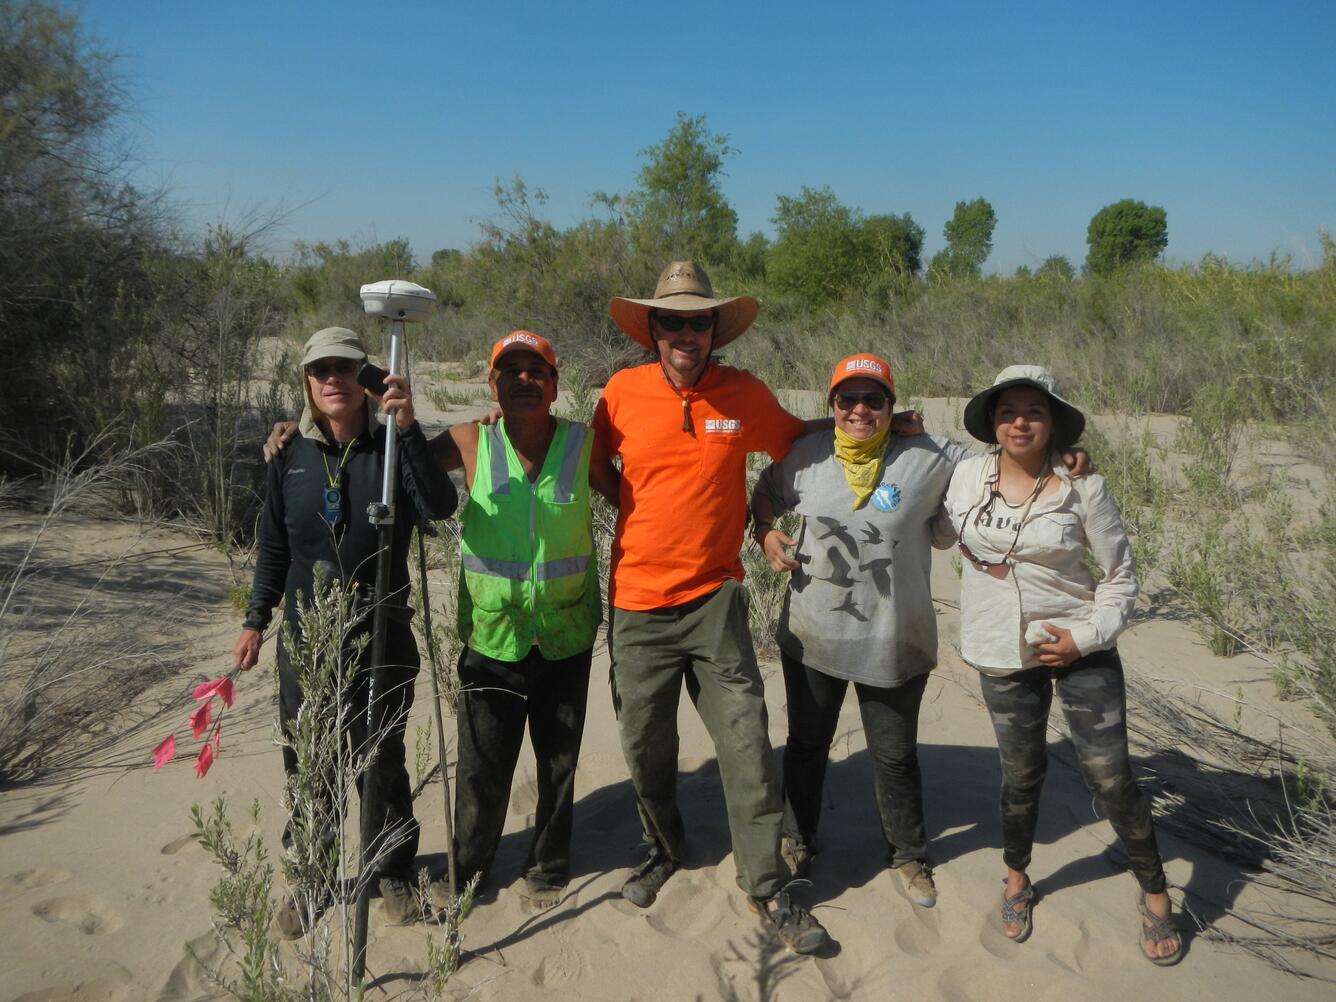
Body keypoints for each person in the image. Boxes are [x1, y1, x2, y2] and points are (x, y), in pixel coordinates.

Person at [594, 261, 882, 955]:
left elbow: (795, 438)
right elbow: (599, 467)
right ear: (652, 329)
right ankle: (664, 848)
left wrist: (875, 429)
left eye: (699, 321)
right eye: (673, 321)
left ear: (714, 329)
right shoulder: (621, 392)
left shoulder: (742, 393)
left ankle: (767, 886)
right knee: (645, 744)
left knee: (747, 742)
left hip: (715, 599)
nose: (686, 333)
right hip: (636, 603)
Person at [945, 364, 1181, 966]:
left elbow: (1121, 578)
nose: (1019, 422)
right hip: (1002, 649)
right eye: (1007, 412)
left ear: (1053, 424)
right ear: (991, 423)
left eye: (1033, 412)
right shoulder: (966, 475)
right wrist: (893, 421)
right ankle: (1017, 879)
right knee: (1020, 774)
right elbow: (911, 462)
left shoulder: (1084, 488)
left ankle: (1155, 891)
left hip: (1081, 648)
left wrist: (1085, 638)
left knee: (1109, 774)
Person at [234, 326, 458, 937]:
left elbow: (439, 506)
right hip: (308, 639)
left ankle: (390, 871)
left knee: (380, 755)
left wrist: (408, 428)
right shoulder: (289, 456)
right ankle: (311, 877)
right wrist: (257, 619)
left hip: (380, 632)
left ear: (367, 379)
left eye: (345, 369)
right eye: (320, 370)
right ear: (307, 384)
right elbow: (274, 549)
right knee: (309, 759)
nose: (333, 379)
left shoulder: (391, 452)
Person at [751, 353, 968, 909]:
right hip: (813, 634)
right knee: (806, 744)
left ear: (893, 407)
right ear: (831, 405)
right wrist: (767, 534)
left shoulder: (931, 457)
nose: (860, 409)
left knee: (894, 754)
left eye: (875, 399)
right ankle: (799, 838)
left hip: (895, 638)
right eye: (847, 398)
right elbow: (765, 494)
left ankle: (908, 853)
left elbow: (1000, 465)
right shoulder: (804, 457)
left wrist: (1070, 456)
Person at [423, 331, 619, 910]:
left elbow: (637, 500)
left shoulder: (582, 446)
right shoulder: (467, 440)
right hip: (491, 637)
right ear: (492, 385)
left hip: (565, 632)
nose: (524, 380)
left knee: (558, 759)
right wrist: (302, 430)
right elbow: (394, 459)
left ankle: (548, 866)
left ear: (556, 386)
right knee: (482, 764)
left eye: (537, 371)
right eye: (510, 371)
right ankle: (472, 867)